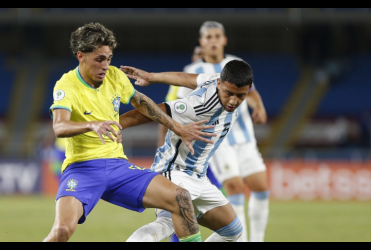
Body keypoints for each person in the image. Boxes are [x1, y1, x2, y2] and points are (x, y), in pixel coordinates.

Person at [42, 22, 216, 242]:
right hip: (82, 169)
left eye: (109, 59)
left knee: (181, 197)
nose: (106, 66)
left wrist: (178, 127)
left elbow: (143, 104)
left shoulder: (115, 77)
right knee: (62, 231)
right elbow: (59, 127)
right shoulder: (66, 85)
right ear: (81, 56)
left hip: (117, 166)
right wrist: (92, 125)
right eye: (99, 59)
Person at [119, 59, 253, 242]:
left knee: (233, 232)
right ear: (219, 83)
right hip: (175, 172)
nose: (233, 101)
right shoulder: (200, 105)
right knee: (166, 224)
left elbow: (188, 79)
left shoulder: (216, 78)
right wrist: (116, 125)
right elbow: (154, 110)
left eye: (241, 96)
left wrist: (152, 76)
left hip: (199, 176)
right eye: (229, 93)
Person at [176, 20, 270, 242]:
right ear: (202, 42)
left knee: (261, 187)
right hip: (218, 140)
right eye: (209, 37)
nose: (213, 41)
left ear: (224, 40)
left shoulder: (237, 64)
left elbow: (252, 90)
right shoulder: (192, 71)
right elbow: (183, 106)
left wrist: (260, 107)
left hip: (245, 138)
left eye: (217, 36)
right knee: (235, 186)